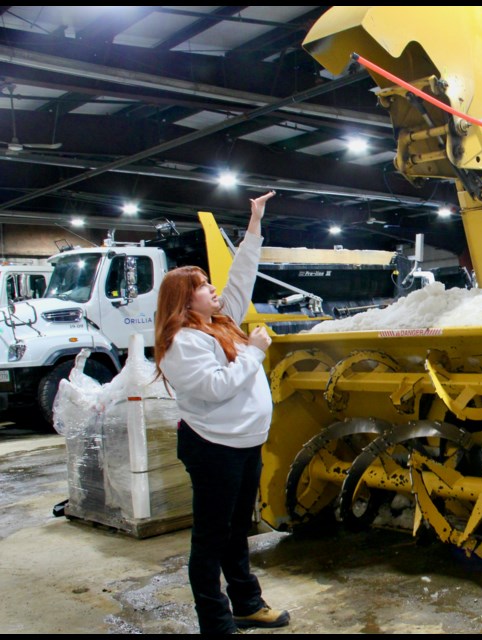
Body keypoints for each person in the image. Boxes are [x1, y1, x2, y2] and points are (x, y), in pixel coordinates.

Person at [154, 190, 290, 635]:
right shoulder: (181, 342)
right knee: (210, 540)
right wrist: (254, 353)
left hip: (245, 443)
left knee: (237, 531)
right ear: (186, 300)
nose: (215, 291)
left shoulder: (218, 321)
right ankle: (215, 622)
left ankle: (247, 603)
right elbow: (215, 388)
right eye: (205, 288)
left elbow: (242, 278)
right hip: (215, 448)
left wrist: (255, 223)